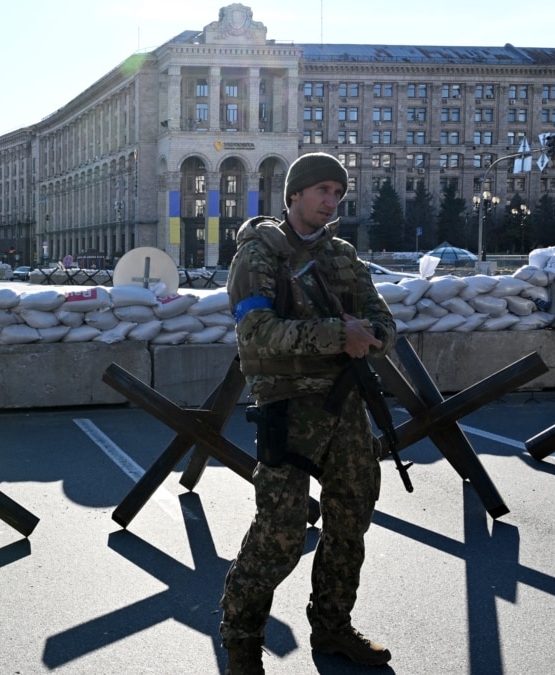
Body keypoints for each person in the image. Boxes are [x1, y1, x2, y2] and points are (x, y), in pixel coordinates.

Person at [220, 152, 396, 674]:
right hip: (288, 406)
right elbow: (255, 333)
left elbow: (383, 325)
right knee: (281, 529)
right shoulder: (260, 254)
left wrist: (369, 336)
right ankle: (242, 638)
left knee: (351, 517)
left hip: (345, 405)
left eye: (338, 194)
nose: (330, 201)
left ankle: (333, 627)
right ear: (293, 194)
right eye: (321, 190)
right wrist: (340, 334)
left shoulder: (343, 256)